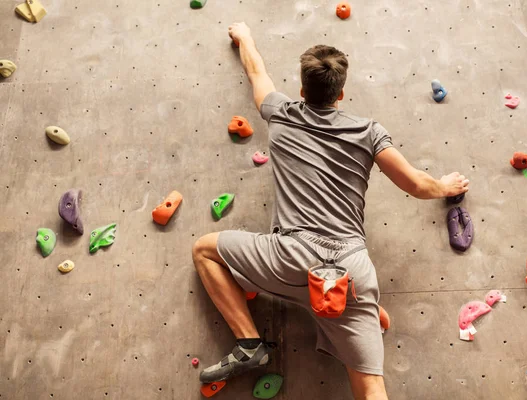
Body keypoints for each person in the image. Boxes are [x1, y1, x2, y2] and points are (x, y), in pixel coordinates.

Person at [192, 22, 470, 400]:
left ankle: (249, 343)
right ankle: (352, 315)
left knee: (205, 250)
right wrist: (446, 186)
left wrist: (244, 37)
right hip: (350, 270)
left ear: (303, 90)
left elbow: (256, 71)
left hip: (288, 258)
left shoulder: (281, 112)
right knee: (372, 386)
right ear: (341, 94)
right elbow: (416, 184)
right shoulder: (369, 132)